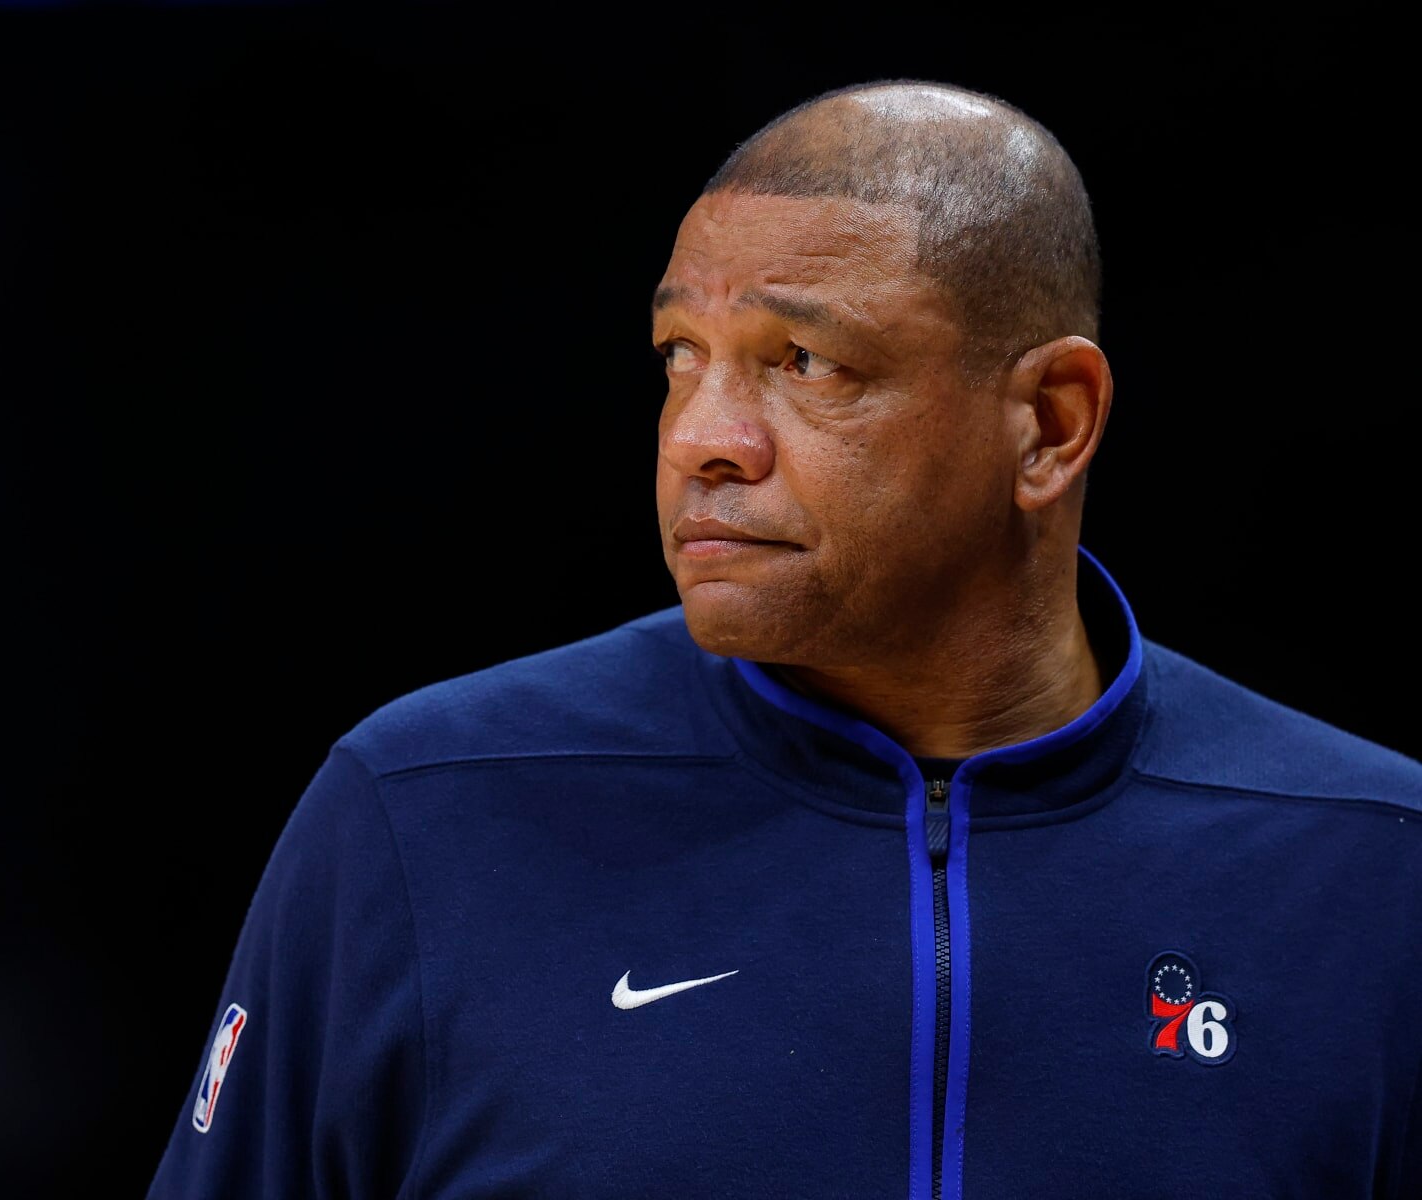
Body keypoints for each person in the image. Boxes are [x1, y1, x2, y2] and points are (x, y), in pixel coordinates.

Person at [145, 80, 1422, 1199]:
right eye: (679, 354)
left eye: (804, 361)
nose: (703, 437)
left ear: (1050, 420)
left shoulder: (1372, 864)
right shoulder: (420, 813)